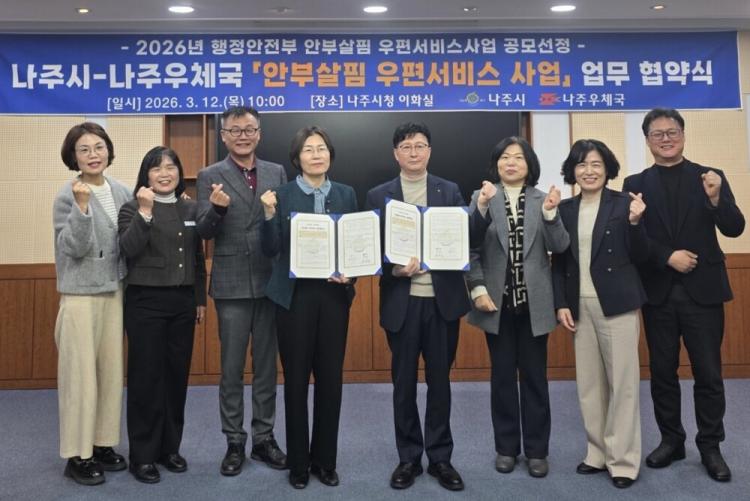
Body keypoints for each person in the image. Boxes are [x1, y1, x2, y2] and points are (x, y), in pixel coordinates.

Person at [622, 108, 745, 482]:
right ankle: (671, 440)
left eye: (672, 131)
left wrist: (716, 199)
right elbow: (634, 240)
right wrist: (667, 257)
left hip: (703, 292)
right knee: (662, 373)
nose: (666, 138)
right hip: (658, 292)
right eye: (657, 134)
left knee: (709, 373)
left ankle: (711, 446)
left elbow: (735, 228)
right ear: (648, 141)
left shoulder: (709, 176)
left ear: (683, 135)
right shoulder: (635, 182)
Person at [365, 122, 471, 492]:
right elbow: (370, 249)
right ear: (396, 154)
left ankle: (440, 458)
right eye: (407, 146)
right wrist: (393, 268)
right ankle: (408, 457)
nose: (414, 152)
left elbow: (465, 237)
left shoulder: (449, 190)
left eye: (421, 145)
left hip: (442, 303)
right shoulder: (379, 195)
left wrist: (479, 210)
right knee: (404, 383)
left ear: (429, 151)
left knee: (440, 383)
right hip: (402, 304)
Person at [260, 126, 357, 489]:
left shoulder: (346, 193)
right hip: (294, 298)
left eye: (322, 149)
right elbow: (270, 249)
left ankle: (325, 461)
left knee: (331, 380)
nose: (317, 155)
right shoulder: (281, 195)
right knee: (296, 381)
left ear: (330, 154)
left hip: (333, 297)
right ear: (297, 158)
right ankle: (299, 463)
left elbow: (355, 245)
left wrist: (352, 274)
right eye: (309, 150)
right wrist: (268, 215)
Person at [465, 137, 568, 479]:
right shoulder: (482, 196)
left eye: (518, 158)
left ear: (529, 165)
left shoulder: (543, 199)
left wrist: (551, 214)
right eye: (505, 157)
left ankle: (537, 450)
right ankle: (506, 448)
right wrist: (477, 288)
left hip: (534, 304)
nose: (511, 163)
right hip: (496, 303)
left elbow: (560, 246)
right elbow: (470, 247)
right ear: (496, 164)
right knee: (502, 379)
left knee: (536, 379)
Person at [196, 106, 288, 475]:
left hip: (269, 281)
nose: (243, 136)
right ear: (223, 136)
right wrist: (217, 210)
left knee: (266, 367)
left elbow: (281, 225)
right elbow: (203, 231)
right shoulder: (209, 175)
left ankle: (264, 438)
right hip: (232, 284)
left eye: (249, 129)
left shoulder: (276, 172)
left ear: (259, 133)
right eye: (235, 130)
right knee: (231, 369)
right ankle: (234, 441)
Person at [552, 139, 648, 488]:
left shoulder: (625, 204)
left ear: (607, 169)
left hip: (617, 303)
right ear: (572, 171)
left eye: (596, 164)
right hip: (579, 305)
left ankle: (623, 461)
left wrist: (636, 223)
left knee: (622, 384)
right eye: (581, 165)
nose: (589, 171)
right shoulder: (565, 209)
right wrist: (561, 302)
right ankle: (597, 452)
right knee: (590, 385)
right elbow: (559, 261)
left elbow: (642, 255)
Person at [118, 146, 207, 483]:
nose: (165, 174)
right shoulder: (132, 207)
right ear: (146, 175)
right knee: (146, 379)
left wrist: (199, 298)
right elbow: (127, 249)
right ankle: (142, 455)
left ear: (179, 172)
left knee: (175, 378)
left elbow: (196, 257)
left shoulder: (190, 207)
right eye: (157, 168)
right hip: (145, 303)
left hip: (183, 303)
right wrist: (145, 212)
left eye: (171, 167)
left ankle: (170, 449)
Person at [53, 122, 130, 485]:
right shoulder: (67, 195)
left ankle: (101, 443)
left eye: (99, 147)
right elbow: (73, 247)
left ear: (108, 151)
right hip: (80, 296)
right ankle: (77, 454)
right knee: (80, 379)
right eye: (84, 149)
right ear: (73, 157)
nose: (93, 155)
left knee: (111, 374)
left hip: (114, 291)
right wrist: (82, 209)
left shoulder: (122, 191)